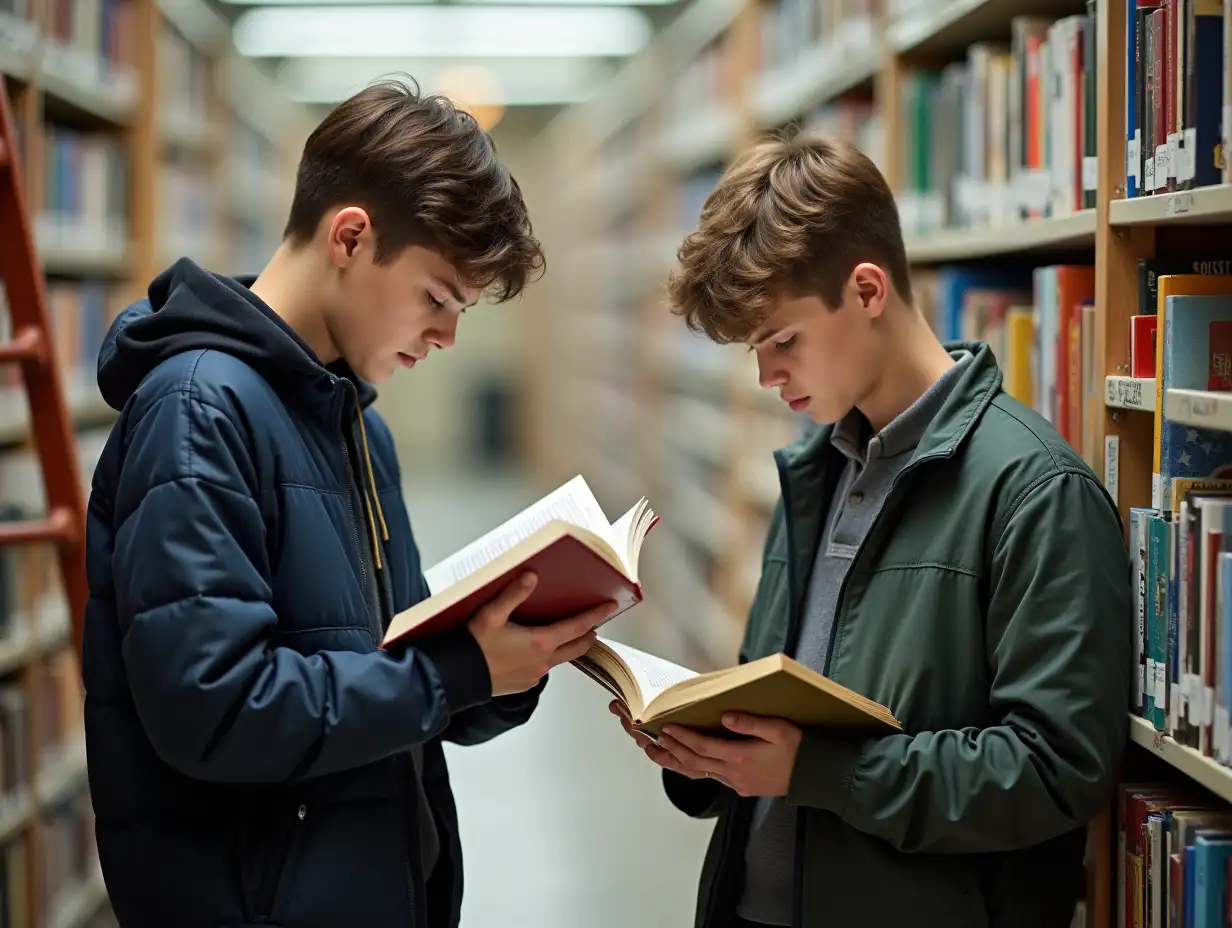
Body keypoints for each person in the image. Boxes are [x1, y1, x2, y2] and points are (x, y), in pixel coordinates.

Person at [82, 77, 610, 928]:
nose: (446, 337)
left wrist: (505, 665)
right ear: (352, 237)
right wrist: (459, 671)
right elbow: (215, 708)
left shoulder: (359, 431)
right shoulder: (198, 411)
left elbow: (393, 674)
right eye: (438, 296)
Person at [610, 133, 1132, 927]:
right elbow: (787, 702)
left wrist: (819, 771)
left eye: (783, 341)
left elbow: (1057, 768)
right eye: (756, 350)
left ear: (866, 290)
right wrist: (710, 756)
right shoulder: (815, 472)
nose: (767, 376)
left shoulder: (1034, 491)